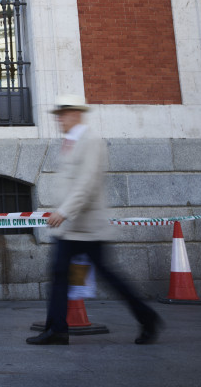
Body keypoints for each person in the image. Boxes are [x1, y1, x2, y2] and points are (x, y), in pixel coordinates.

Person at [27, 95, 163, 346]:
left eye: (63, 114)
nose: (59, 119)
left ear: (76, 114)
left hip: (87, 227)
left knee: (108, 276)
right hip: (71, 228)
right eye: (58, 115)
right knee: (60, 274)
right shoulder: (70, 141)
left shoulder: (91, 142)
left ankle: (147, 317)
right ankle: (57, 329)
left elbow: (86, 183)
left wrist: (64, 212)